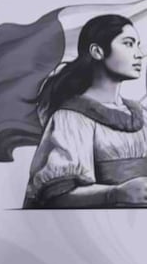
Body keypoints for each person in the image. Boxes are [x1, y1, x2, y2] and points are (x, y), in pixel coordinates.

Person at [24, 14, 147, 208]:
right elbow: (56, 195)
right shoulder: (71, 118)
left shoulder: (142, 115)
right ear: (97, 51)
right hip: (96, 229)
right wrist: (116, 194)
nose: (139, 54)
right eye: (129, 43)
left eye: (138, 44)